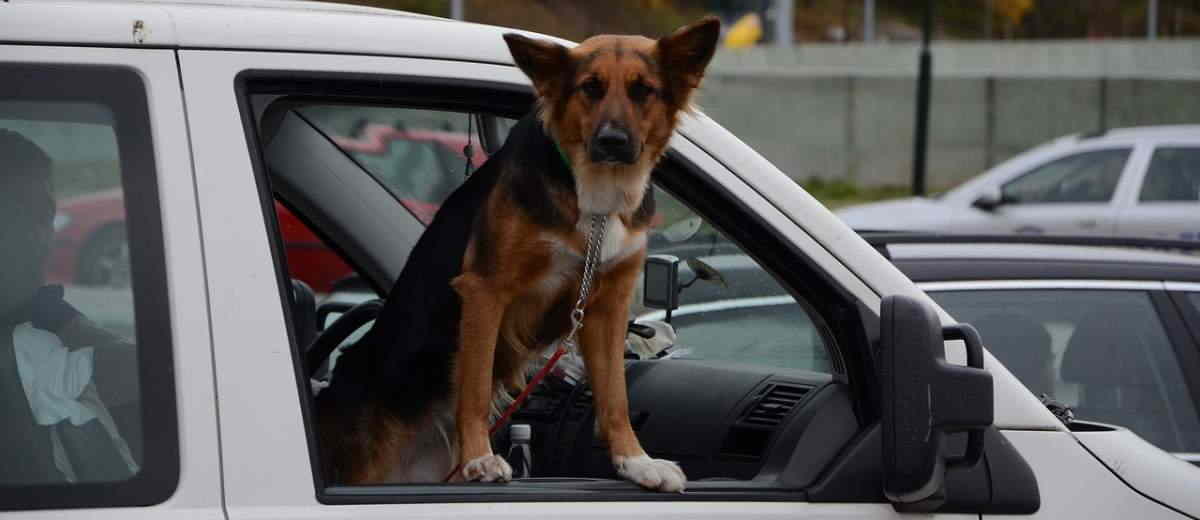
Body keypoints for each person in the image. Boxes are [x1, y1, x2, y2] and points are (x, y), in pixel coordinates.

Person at [0, 129, 138, 484]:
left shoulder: (31, 316)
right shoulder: (25, 343)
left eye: (44, 215)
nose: (41, 235)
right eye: (19, 213)